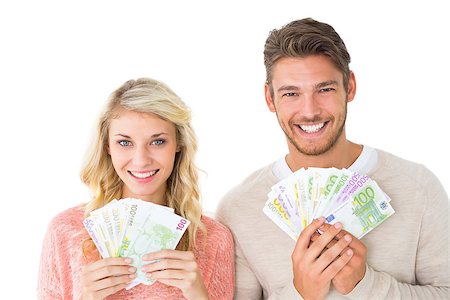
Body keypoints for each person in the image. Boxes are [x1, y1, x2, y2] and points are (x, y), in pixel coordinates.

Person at [216, 17, 449, 299]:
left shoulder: (418, 187)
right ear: (269, 98)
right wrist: (301, 293)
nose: (310, 110)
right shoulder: (239, 208)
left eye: (324, 89)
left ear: (349, 87)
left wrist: (365, 284)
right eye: (291, 93)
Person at [38, 78, 234, 299]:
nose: (141, 160)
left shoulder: (213, 239)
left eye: (157, 141)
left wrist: (198, 295)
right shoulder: (65, 232)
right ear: (107, 147)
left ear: (179, 144)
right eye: (124, 142)